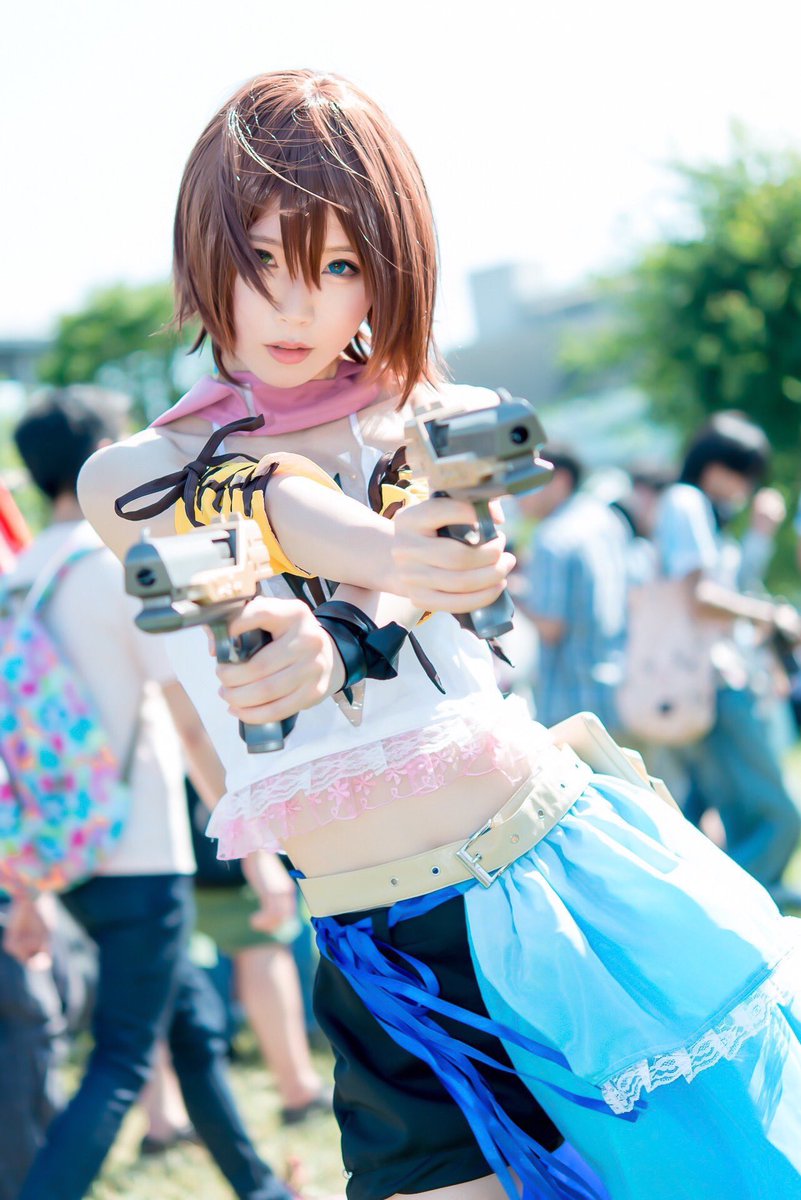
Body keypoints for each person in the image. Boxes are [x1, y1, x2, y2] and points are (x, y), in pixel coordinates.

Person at [78, 71, 801, 1200]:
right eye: (262, 258)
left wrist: (367, 609)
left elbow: (417, 547)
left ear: (389, 268)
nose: (296, 305)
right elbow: (262, 503)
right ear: (201, 250)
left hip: (552, 893)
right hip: (374, 944)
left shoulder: (435, 422)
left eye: (338, 266)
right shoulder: (139, 471)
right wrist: (347, 592)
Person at [4, 387, 305, 1200]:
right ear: (105, 459)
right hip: (141, 845)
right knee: (123, 1056)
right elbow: (188, 720)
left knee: (191, 1030)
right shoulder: (117, 566)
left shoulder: (22, 572)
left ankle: (260, 1188)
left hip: (68, 845)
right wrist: (257, 847)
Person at [652, 412, 801, 903]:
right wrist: (770, 615)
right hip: (711, 681)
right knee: (776, 814)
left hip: (706, 680)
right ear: (717, 465)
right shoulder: (687, 501)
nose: (744, 487)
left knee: (732, 813)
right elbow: (702, 597)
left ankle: (744, 899)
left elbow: (725, 587)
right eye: (743, 473)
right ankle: (743, 901)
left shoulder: (697, 508)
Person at [516, 447, 628, 733]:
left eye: (522, 481)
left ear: (560, 480)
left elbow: (551, 627)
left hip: (571, 700)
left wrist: (506, 589)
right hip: (619, 683)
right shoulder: (604, 518)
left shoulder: (553, 536)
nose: (515, 494)